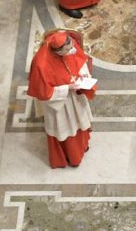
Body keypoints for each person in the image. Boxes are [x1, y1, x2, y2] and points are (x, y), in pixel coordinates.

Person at [26, 30, 95, 168]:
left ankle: (82, 144)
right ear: (57, 52)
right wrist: (67, 87)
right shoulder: (41, 65)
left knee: (80, 120)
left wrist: (82, 74)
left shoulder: (69, 44)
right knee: (65, 127)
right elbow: (44, 93)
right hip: (60, 103)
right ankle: (70, 155)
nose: (72, 51)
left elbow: (80, 61)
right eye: (68, 50)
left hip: (75, 96)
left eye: (72, 46)